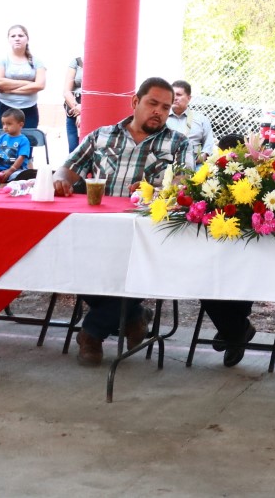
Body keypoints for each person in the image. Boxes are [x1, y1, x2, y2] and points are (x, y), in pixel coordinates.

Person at [53, 77, 191, 367]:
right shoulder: (101, 136)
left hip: (146, 236)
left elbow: (183, 185)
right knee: (72, 261)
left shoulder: (178, 143)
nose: (158, 111)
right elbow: (67, 171)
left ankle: (91, 332)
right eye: (152, 103)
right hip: (98, 232)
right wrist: (60, 182)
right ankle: (133, 315)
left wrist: (161, 192)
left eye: (165, 107)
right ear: (135, 102)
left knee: (141, 271)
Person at [0, 24, 47, 129]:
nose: (17, 38)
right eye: (13, 36)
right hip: (3, 107)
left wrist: (9, 90)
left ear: (27, 39)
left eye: (21, 36)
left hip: (29, 110)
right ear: (8, 39)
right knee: (2, 142)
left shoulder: (37, 62)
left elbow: (40, 85)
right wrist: (28, 83)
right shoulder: (2, 60)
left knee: (26, 143)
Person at [166, 80, 217, 161]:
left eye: (178, 95)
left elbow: (209, 144)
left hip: (195, 165)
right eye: (173, 94)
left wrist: (200, 158)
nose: (175, 98)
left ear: (189, 98)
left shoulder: (201, 119)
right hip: (165, 164)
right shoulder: (162, 118)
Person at [63, 55, 83, 152]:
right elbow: (66, 92)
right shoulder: (76, 62)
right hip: (74, 108)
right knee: (73, 150)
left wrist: (84, 110)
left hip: (92, 109)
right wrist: (78, 111)